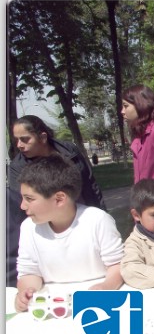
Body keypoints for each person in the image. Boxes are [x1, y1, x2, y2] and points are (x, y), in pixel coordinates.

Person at [14, 155, 124, 313]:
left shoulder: (97, 220)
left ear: (59, 199)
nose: (22, 206)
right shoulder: (28, 228)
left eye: (29, 199)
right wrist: (26, 292)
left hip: (98, 302)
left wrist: (106, 287)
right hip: (52, 304)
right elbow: (29, 272)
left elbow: (117, 264)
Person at [7, 115, 106, 287]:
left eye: (25, 139)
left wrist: (101, 215)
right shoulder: (18, 168)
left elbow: (91, 185)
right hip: (49, 229)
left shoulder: (70, 151)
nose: (19, 145)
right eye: (16, 140)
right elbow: (23, 208)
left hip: (81, 217)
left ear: (43, 137)